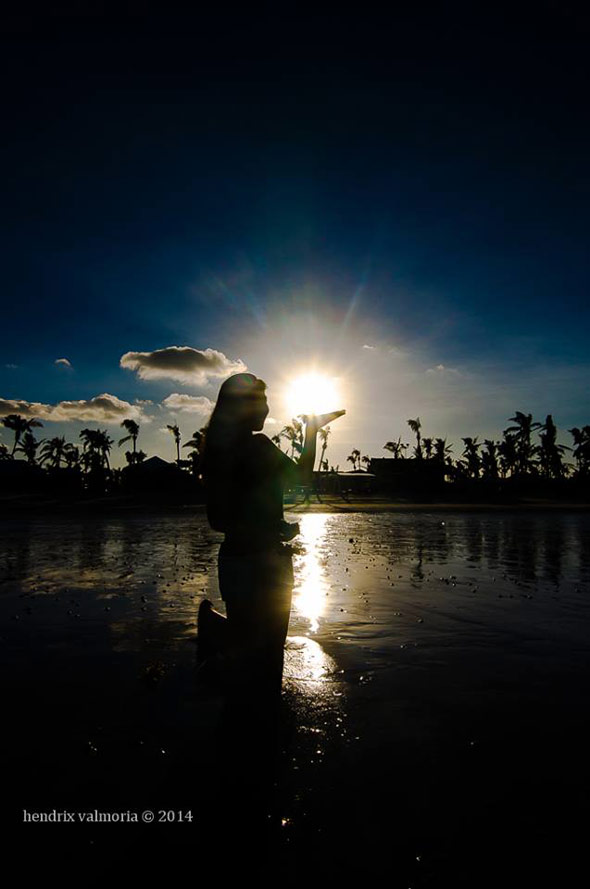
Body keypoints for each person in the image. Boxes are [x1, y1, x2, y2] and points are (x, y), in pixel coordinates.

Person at [198, 371, 344, 698]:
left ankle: (216, 631)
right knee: (268, 659)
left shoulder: (215, 450)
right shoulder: (258, 446)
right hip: (267, 564)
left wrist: (272, 525)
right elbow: (302, 477)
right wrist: (311, 430)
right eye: (261, 401)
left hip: (234, 560)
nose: (266, 409)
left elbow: (219, 520)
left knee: (248, 655)